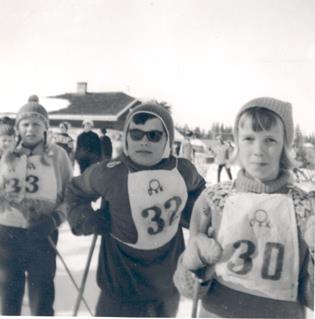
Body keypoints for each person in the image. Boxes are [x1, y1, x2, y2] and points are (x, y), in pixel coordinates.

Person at [173, 97, 314, 318]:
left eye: (270, 140)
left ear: (284, 146)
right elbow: (189, 288)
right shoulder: (213, 200)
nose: (258, 150)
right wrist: (193, 263)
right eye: (249, 138)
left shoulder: (305, 208)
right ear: (237, 143)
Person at [65, 101, 206, 317]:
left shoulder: (183, 170)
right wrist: (86, 219)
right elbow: (74, 191)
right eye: (136, 134)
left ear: (168, 139)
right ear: (126, 138)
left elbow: (201, 193)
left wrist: (191, 215)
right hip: (120, 285)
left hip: (167, 283)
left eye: (154, 136)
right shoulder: (110, 173)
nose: (144, 142)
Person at [0, 95, 73, 316]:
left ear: (45, 128)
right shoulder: (6, 154)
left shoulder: (58, 155)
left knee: (41, 296)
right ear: (18, 128)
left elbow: (71, 195)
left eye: (36, 123)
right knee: (8, 296)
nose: (30, 129)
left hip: (43, 233)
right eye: (25, 123)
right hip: (8, 234)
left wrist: (54, 219)